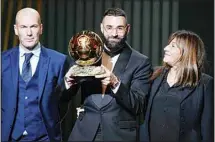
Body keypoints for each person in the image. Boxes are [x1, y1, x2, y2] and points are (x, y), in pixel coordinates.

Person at [63, 8, 152, 141]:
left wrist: (115, 83)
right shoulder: (84, 55)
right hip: (84, 133)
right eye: (109, 27)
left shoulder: (140, 62)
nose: (114, 33)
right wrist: (67, 83)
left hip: (119, 135)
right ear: (102, 28)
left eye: (120, 28)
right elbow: (62, 99)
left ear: (128, 29)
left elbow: (138, 105)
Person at [1, 7, 70, 141]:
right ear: (16, 30)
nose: (29, 33)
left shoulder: (59, 61)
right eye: (23, 27)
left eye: (33, 26)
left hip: (46, 138)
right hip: (9, 137)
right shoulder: (2, 60)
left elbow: (63, 102)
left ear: (41, 28)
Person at [140, 30, 213, 142]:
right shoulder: (154, 75)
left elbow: (207, 128)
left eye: (172, 46)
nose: (166, 48)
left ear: (187, 52)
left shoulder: (205, 84)